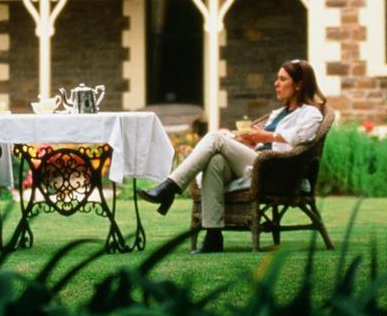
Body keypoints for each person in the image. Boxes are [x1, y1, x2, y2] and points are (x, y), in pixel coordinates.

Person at [139, 59, 326, 253]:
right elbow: (263, 143)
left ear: (299, 84)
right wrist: (249, 140)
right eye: (277, 79)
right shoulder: (278, 113)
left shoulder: (311, 113)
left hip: (276, 168)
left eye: (282, 79)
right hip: (256, 161)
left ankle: (170, 187)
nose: (276, 83)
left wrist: (265, 136)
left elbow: (298, 138)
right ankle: (213, 237)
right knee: (215, 161)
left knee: (214, 137)